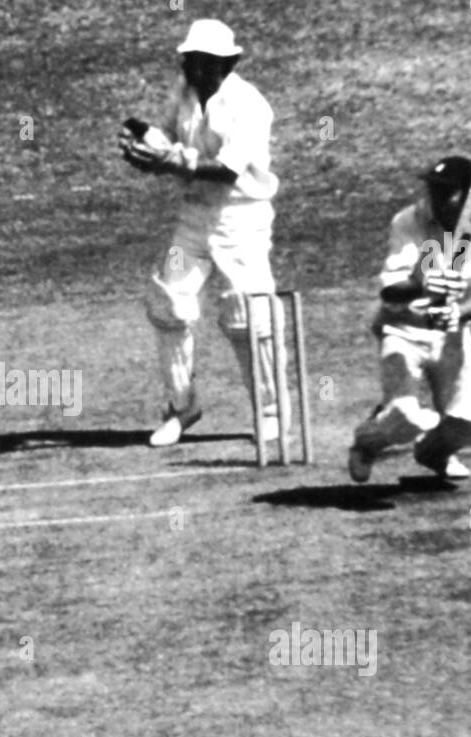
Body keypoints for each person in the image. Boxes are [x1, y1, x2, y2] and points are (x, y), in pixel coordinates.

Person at [119, 19, 285, 449]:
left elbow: (228, 169)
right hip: (193, 219)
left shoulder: (250, 105)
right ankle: (182, 406)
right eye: (188, 60)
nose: (191, 69)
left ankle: (271, 413)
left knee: (250, 315)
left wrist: (171, 163)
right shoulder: (185, 94)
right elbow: (170, 140)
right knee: (167, 297)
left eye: (200, 62)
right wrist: (146, 144)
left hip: (240, 220)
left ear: (226, 63)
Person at [346, 155, 471, 483]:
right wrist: (419, 284)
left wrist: (457, 313)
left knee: (465, 420)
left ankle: (435, 454)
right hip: (402, 329)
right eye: (435, 190)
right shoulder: (408, 220)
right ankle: (366, 445)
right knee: (403, 418)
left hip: (452, 333)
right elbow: (390, 293)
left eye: (449, 191)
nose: (438, 198)